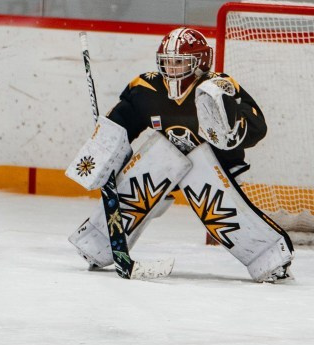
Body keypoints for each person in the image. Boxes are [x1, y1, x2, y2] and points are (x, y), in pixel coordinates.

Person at [65, 27, 293, 282]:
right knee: (152, 163)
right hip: (167, 165)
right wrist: (102, 150)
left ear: (201, 62)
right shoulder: (146, 88)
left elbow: (257, 128)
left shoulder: (217, 88)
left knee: (221, 210)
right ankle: (96, 244)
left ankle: (270, 257)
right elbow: (121, 123)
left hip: (219, 167)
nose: (172, 69)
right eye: (168, 62)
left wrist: (232, 126)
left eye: (179, 62)